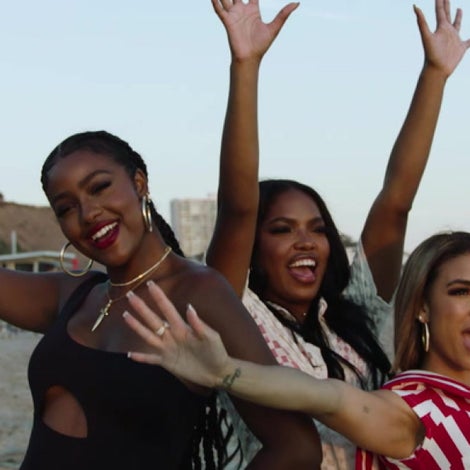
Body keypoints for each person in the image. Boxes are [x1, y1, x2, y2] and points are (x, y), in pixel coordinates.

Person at [201, 0, 470, 466]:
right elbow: (238, 209)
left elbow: (395, 201)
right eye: (282, 229)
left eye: (318, 229)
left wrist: (435, 75)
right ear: (253, 247)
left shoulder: (355, 317)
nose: (306, 241)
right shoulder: (236, 314)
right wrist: (245, 66)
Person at [0, 130, 321, 469]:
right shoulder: (74, 295)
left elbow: (297, 449)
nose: (88, 213)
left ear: (139, 183)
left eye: (99, 187)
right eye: (66, 208)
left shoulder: (200, 293)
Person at [124, 230, 470, 469]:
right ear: (422, 306)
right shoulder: (415, 413)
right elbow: (330, 398)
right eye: (461, 292)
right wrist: (225, 372)